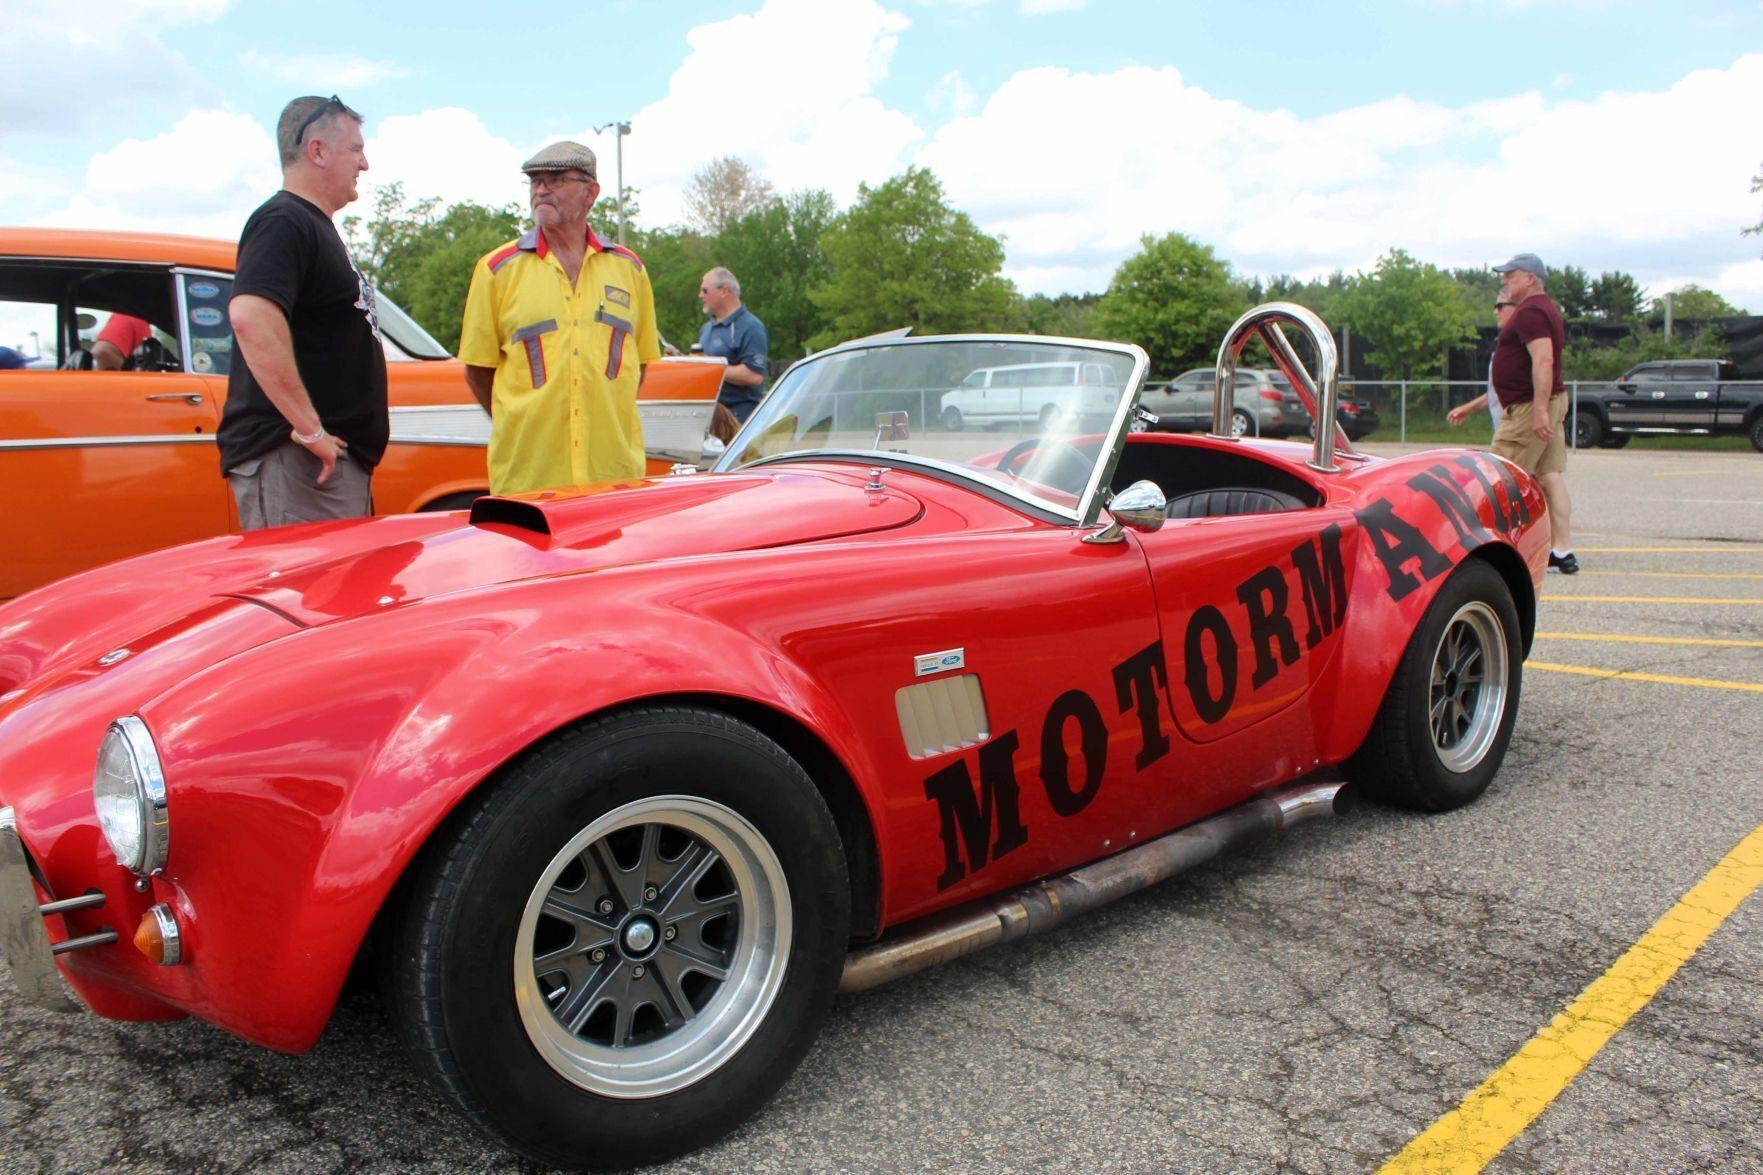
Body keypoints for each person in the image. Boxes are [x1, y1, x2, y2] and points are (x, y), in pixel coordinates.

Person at [217, 95, 385, 530]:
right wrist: (311, 430)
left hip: (319, 466)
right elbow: (251, 317)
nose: (364, 164)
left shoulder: (311, 225)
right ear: (318, 151)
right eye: (356, 149)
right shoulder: (282, 220)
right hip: (298, 463)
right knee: (308, 578)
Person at [459, 141, 660, 496]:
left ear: (590, 193)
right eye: (535, 181)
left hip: (613, 477)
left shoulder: (629, 269)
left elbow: (638, 364)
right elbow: (478, 371)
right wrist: (523, 419)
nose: (541, 190)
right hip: (529, 480)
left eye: (555, 180)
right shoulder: (496, 270)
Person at [1490, 253, 1577, 574]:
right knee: (1549, 476)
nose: (1504, 281)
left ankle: (1500, 551)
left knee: (1500, 477)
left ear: (1530, 278)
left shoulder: (1530, 312)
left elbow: (1543, 360)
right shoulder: (1544, 309)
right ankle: (1562, 550)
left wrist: (1539, 410)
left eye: (1510, 275)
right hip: (1548, 401)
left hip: (1530, 407)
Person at [696, 267, 769, 423]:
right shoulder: (706, 329)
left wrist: (710, 367)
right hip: (709, 416)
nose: (700, 295)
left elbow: (754, 375)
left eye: (705, 290)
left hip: (740, 418)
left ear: (724, 291)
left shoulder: (751, 327)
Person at [1446, 296, 1520, 443]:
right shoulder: (1504, 343)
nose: (1495, 312)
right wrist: (1468, 408)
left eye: (1500, 306)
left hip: (1516, 431)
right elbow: (1496, 392)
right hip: (1503, 428)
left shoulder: (1522, 344)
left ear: (1518, 308)